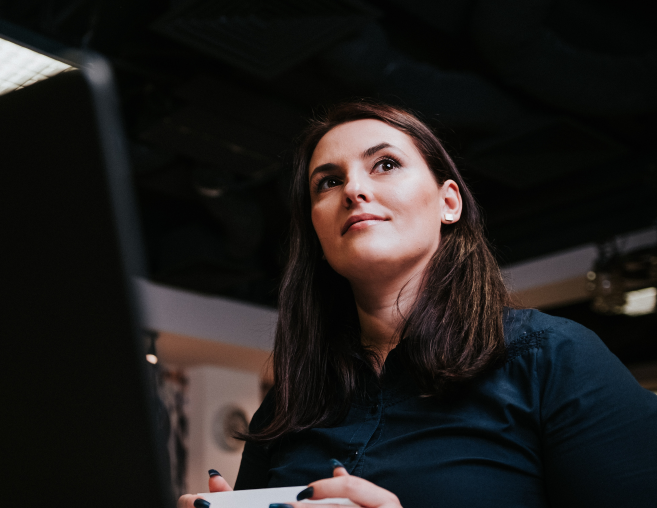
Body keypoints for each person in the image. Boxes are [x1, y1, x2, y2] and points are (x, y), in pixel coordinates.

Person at [177, 101, 657, 508]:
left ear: (449, 202)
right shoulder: (288, 405)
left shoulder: (553, 358)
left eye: (384, 164)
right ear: (317, 233)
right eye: (328, 182)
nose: (354, 190)